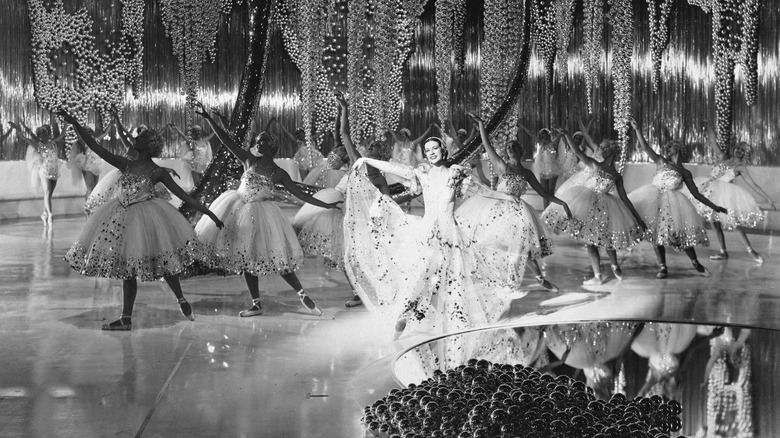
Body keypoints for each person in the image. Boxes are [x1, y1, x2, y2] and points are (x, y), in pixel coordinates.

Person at [59, 109, 224, 331]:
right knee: (128, 269)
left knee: (164, 261)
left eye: (140, 138)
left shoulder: (158, 172)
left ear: (148, 146)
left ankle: (181, 299)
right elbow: (96, 146)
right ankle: (125, 318)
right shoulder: (125, 164)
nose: (135, 138)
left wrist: (210, 213)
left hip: (148, 217)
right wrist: (74, 122)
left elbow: (185, 196)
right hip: (121, 216)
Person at [346, 136, 525, 340]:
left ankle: (456, 327)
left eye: (435, 148)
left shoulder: (455, 173)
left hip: (451, 234)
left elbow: (482, 190)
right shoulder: (423, 172)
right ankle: (404, 319)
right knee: (420, 278)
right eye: (427, 149)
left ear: (443, 150)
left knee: (454, 282)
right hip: (427, 233)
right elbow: (400, 170)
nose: (431, 152)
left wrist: (507, 198)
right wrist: (367, 161)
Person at [194, 102, 341, 317]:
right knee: (245, 257)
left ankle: (302, 294)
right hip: (238, 210)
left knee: (276, 256)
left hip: (263, 216)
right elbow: (227, 142)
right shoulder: (249, 160)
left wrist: (326, 204)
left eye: (263, 140)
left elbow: (301, 195)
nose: (258, 142)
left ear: (272, 146)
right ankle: (256, 303)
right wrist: (210, 120)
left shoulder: (279, 173)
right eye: (257, 140)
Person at [457, 112, 572, 292]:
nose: (510, 148)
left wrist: (562, 203)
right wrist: (481, 124)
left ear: (520, 151)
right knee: (488, 243)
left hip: (518, 212)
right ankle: (486, 278)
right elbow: (486, 144)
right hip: (497, 208)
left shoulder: (526, 173)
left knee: (522, 248)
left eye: (514, 146)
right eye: (508, 147)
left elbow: (543, 193)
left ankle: (540, 280)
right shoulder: (502, 166)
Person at [543, 123, 646, 285]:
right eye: (602, 148)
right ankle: (597, 275)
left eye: (605, 149)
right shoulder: (594, 164)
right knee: (590, 241)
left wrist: (638, 219)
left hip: (607, 207)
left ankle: (614, 266)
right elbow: (577, 151)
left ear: (613, 152)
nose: (602, 151)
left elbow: (625, 198)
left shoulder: (616, 176)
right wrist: (567, 134)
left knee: (607, 239)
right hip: (587, 203)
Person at [628, 118, 727, 278]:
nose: (667, 148)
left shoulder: (685, 173)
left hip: (673, 205)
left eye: (671, 146)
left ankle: (696, 263)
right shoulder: (660, 161)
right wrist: (637, 130)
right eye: (667, 147)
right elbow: (645, 147)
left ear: (679, 149)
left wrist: (715, 207)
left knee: (678, 235)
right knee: (656, 235)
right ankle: (662, 267)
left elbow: (697, 195)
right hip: (652, 200)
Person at [692, 141, 775, 264]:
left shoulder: (740, 167)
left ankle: (751, 251)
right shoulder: (723, 158)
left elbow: (753, 185)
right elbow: (713, 143)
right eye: (737, 148)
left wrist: (767, 198)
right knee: (714, 223)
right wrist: (707, 123)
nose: (738, 151)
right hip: (709, 191)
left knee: (733, 224)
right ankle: (723, 252)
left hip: (724, 195)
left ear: (744, 154)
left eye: (742, 150)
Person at [11, 117, 67, 228]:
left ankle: (44, 213)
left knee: (49, 194)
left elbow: (63, 134)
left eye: (44, 132)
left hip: (54, 168)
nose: (42, 135)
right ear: (38, 135)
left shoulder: (53, 142)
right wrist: (17, 128)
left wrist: (65, 123)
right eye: (40, 133)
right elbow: (23, 137)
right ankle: (50, 215)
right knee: (47, 192)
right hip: (44, 168)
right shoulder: (37, 144)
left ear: (47, 133)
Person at [519, 123, 565, 208]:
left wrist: (562, 125)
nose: (543, 137)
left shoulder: (554, 144)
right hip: (543, 170)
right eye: (541, 136)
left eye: (544, 135)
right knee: (544, 192)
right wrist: (523, 126)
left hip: (552, 169)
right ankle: (545, 210)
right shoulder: (541, 144)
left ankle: (550, 211)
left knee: (551, 192)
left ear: (548, 135)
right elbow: (531, 135)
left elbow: (560, 134)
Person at [71, 120, 113, 205]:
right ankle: (89, 208)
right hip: (87, 166)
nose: (89, 133)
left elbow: (104, 134)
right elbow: (77, 132)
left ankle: (90, 206)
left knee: (94, 188)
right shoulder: (82, 142)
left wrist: (112, 122)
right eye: (87, 132)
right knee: (90, 188)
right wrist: (74, 123)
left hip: (96, 165)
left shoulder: (95, 140)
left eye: (90, 131)